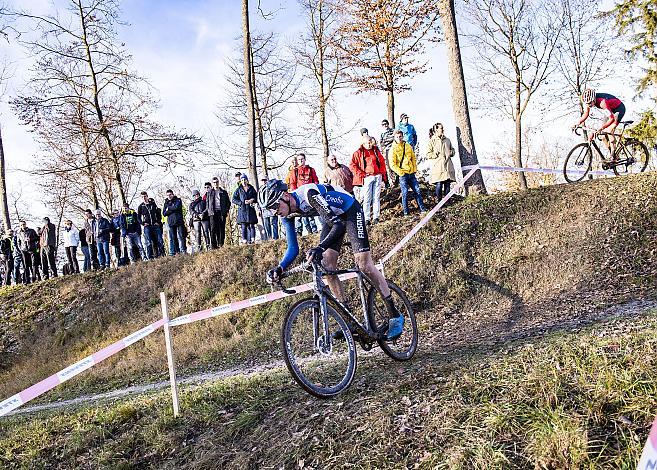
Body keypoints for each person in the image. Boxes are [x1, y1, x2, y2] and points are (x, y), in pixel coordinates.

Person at [258, 180, 405, 340]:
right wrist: (280, 268)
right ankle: (350, 321)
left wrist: (320, 247)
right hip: (332, 219)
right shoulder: (287, 214)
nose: (274, 212)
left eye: (274, 207)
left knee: (364, 265)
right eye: (270, 210)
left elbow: (339, 225)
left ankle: (394, 315)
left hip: (350, 211)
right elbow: (293, 248)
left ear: (285, 196)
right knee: (327, 267)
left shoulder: (309, 196)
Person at [573, 88, 626, 157]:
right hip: (610, 110)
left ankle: (614, 152)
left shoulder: (602, 102)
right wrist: (577, 123)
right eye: (587, 103)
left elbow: (611, 119)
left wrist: (601, 128)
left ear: (594, 99)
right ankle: (612, 154)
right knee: (603, 136)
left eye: (590, 103)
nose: (589, 105)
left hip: (619, 109)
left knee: (609, 130)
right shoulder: (589, 101)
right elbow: (586, 114)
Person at [349, 134, 388, 225]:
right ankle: (366, 218)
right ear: (363, 143)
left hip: (377, 176)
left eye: (371, 142)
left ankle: (376, 217)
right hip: (367, 177)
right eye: (368, 142)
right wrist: (362, 174)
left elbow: (382, 162)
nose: (370, 144)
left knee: (376, 197)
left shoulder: (375, 150)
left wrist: (382, 175)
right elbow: (352, 165)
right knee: (367, 198)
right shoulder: (358, 152)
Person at [390, 129, 426, 216]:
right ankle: (406, 212)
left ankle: (422, 209)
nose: (399, 138)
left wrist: (414, 169)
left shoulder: (408, 145)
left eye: (400, 136)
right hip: (403, 174)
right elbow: (392, 164)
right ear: (394, 137)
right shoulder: (393, 149)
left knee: (417, 190)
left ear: (402, 136)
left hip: (411, 173)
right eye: (397, 137)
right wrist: (400, 172)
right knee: (405, 192)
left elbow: (413, 158)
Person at [286, 153, 319, 236]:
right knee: (300, 214)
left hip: (310, 194)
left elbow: (315, 181)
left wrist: (316, 191)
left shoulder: (311, 170)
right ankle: (299, 231)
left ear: (305, 159)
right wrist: (294, 195)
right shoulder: (294, 171)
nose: (301, 161)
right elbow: (292, 183)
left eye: (302, 159)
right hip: (299, 195)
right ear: (297, 161)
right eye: (299, 159)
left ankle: (313, 230)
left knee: (311, 212)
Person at [426, 123, 456, 200]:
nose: (443, 129)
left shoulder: (447, 140)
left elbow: (452, 150)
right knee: (439, 184)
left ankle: (447, 201)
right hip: (438, 166)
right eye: (441, 128)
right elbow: (428, 154)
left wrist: (451, 152)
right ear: (436, 130)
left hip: (448, 165)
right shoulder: (431, 141)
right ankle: (439, 201)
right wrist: (434, 154)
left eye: (442, 128)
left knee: (447, 184)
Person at [205, 177, 231, 248]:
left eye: (216, 182)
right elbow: (207, 204)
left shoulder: (223, 192)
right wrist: (208, 212)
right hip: (212, 213)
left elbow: (228, 203)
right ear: (212, 184)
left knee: (221, 228)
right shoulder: (209, 193)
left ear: (218, 182)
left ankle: (221, 244)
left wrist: (226, 211)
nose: (215, 183)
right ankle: (214, 246)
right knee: (213, 229)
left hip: (222, 212)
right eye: (214, 182)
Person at [232, 174, 258, 244]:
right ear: (241, 181)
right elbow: (233, 199)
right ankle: (244, 240)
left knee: (251, 225)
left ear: (247, 180)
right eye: (242, 180)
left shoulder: (252, 188)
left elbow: (256, 197)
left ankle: (253, 240)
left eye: (245, 180)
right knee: (243, 226)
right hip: (242, 210)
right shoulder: (239, 189)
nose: (243, 181)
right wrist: (241, 203)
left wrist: (252, 200)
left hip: (250, 209)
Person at [138, 191, 163, 259]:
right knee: (148, 242)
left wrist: (158, 221)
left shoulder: (152, 204)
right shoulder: (140, 206)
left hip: (155, 225)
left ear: (147, 196)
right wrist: (143, 223)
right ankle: (150, 257)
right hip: (147, 226)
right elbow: (138, 218)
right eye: (142, 197)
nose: (144, 198)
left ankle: (162, 255)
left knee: (159, 240)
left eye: (145, 196)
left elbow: (158, 212)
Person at [162, 189, 186, 255]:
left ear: (173, 194)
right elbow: (164, 213)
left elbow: (176, 207)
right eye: (167, 195)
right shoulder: (166, 203)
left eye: (170, 195)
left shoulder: (178, 200)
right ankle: (177, 251)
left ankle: (184, 250)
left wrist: (169, 208)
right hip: (171, 222)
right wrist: (172, 208)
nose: (169, 196)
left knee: (181, 236)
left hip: (179, 221)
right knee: (174, 237)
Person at [380, 119, 396, 186]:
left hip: (393, 150)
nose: (385, 125)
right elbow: (381, 143)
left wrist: (387, 141)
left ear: (388, 124)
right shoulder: (382, 134)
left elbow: (394, 138)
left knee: (395, 164)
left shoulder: (393, 131)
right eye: (383, 124)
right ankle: (392, 181)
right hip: (386, 151)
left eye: (386, 124)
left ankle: (396, 180)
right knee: (389, 167)